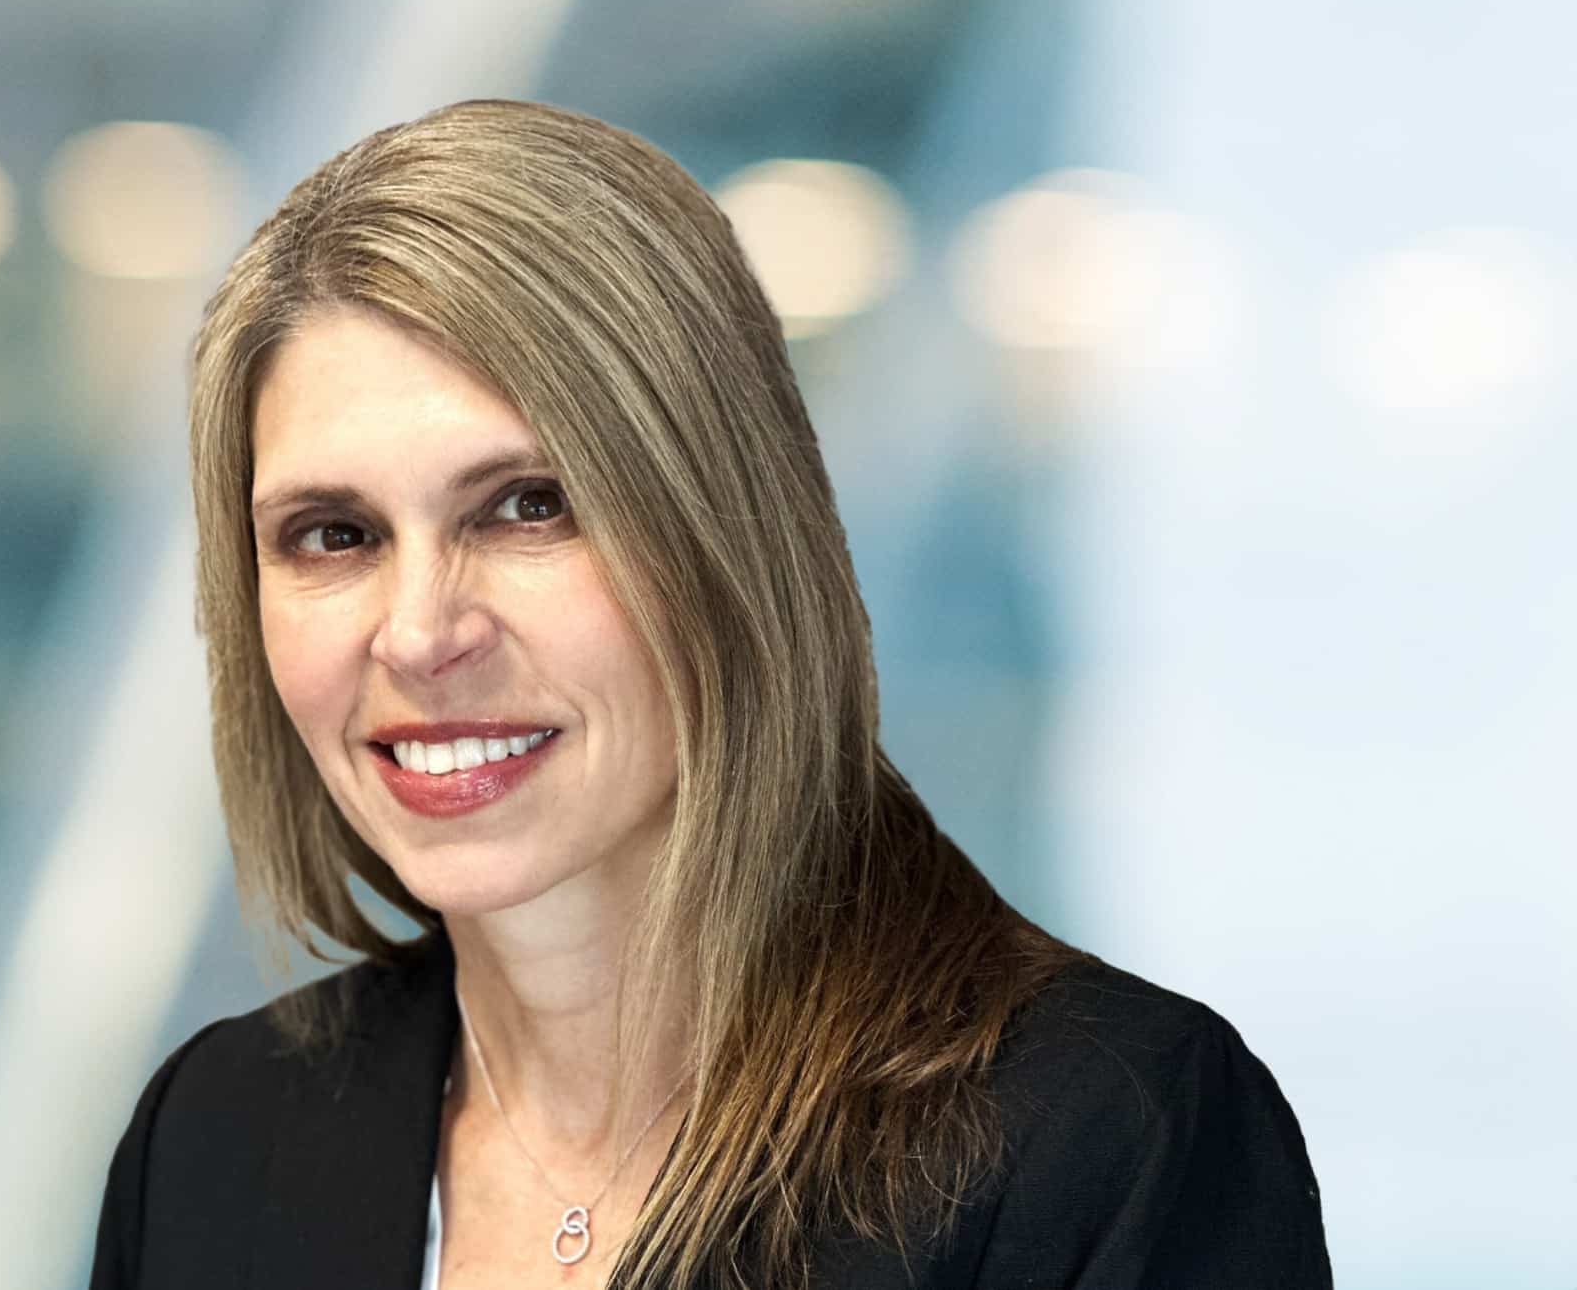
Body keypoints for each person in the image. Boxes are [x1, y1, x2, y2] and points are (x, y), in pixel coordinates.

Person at [88, 99, 1331, 1290]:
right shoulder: (215, 1136)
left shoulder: (1102, 1137)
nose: (418, 634)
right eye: (332, 535)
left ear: (730, 534)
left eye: (531, 505)